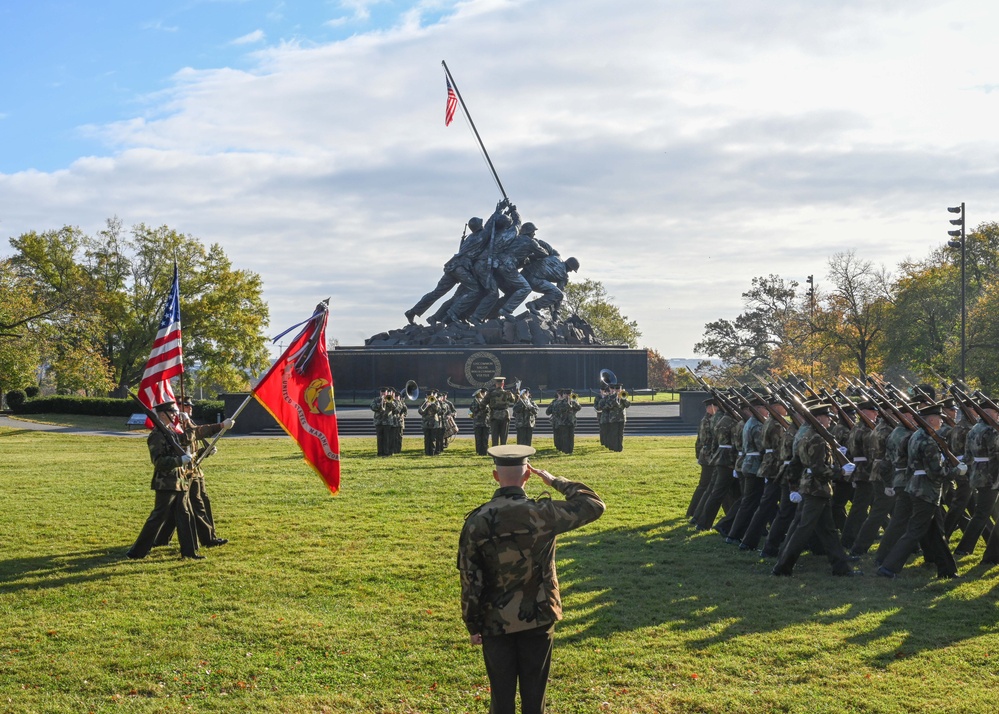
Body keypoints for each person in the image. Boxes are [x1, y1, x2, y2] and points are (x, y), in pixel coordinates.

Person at [457, 445, 606, 714]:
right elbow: (593, 505)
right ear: (528, 475)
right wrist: (555, 481)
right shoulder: (543, 513)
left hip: (494, 620)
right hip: (538, 615)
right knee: (535, 697)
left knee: (501, 700)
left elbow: (470, 578)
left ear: (495, 475)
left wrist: (472, 623)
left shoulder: (477, 521)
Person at [127, 400, 232, 560]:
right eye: (172, 412)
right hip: (166, 482)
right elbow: (159, 462)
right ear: (163, 414)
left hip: (181, 479)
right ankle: (136, 552)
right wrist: (179, 460)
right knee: (158, 516)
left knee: (185, 515)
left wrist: (213, 432)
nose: (175, 415)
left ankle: (189, 552)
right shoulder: (156, 436)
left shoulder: (171, 432)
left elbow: (193, 434)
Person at [771, 402, 862, 577]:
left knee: (828, 531)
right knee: (803, 529)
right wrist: (841, 471)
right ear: (819, 418)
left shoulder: (804, 435)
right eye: (827, 416)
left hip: (812, 488)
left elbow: (796, 464)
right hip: (816, 490)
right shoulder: (818, 439)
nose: (830, 419)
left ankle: (841, 567)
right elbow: (820, 469)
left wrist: (793, 486)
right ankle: (782, 567)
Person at [877, 402, 965, 579]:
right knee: (914, 531)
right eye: (939, 418)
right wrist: (957, 471)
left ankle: (947, 570)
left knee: (936, 533)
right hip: (926, 491)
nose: (941, 421)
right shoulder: (929, 441)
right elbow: (936, 472)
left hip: (916, 487)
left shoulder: (916, 436)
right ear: (931, 419)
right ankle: (888, 567)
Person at [153, 396, 229, 549]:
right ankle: (162, 539)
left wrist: (204, 452)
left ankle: (207, 538)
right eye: (186, 405)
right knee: (177, 508)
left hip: (194, 471)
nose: (190, 408)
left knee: (195, 504)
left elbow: (191, 448)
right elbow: (190, 437)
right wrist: (220, 425)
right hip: (182, 474)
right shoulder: (174, 428)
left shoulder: (186, 423)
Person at [547, 389, 581, 454]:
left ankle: (570, 450)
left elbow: (579, 408)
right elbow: (564, 408)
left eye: (570, 394)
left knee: (571, 436)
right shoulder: (561, 402)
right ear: (564, 395)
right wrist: (568, 402)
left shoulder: (573, 401)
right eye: (567, 394)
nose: (569, 396)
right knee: (565, 437)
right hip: (563, 422)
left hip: (571, 421)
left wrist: (575, 401)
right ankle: (565, 450)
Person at [486, 376, 517, 446]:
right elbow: (515, 400)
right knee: (504, 437)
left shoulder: (490, 394)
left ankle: (495, 455)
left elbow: (482, 404)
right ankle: (503, 454)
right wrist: (517, 393)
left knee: (494, 437)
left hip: (494, 416)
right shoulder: (507, 393)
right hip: (504, 416)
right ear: (503, 384)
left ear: (496, 384)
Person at [603, 384, 630, 452]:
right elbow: (609, 405)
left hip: (621, 418)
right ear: (614, 390)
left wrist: (623, 399)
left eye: (619, 389)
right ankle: (615, 448)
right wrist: (616, 398)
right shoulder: (611, 397)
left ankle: (620, 448)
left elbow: (627, 405)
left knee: (620, 434)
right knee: (614, 433)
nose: (618, 391)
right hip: (613, 418)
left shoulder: (623, 396)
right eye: (617, 389)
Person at [370, 388, 395, 457]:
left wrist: (389, 401)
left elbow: (394, 408)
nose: (383, 394)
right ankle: (380, 452)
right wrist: (381, 403)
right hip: (378, 421)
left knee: (387, 438)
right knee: (379, 438)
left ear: (387, 393)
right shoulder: (376, 400)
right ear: (380, 393)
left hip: (387, 422)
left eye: (384, 393)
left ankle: (386, 452)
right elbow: (373, 407)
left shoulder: (390, 399)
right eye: (382, 393)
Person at [419, 391, 443, 456]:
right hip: (425, 423)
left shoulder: (436, 402)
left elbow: (438, 410)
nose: (429, 397)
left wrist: (432, 404)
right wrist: (426, 406)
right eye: (428, 396)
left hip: (434, 423)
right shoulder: (423, 403)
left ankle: (432, 453)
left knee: (433, 439)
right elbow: (420, 412)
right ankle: (427, 452)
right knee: (427, 439)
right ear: (426, 396)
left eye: (431, 396)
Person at [469, 388, 491, 456]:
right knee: (478, 438)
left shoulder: (488, 401)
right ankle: (478, 451)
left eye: (485, 393)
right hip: (478, 422)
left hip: (486, 422)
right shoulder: (475, 401)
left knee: (485, 438)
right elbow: (472, 409)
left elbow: (489, 410)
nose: (484, 395)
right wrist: (479, 406)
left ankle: (485, 451)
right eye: (483, 393)